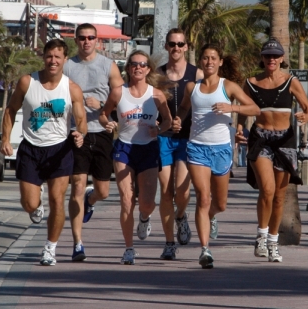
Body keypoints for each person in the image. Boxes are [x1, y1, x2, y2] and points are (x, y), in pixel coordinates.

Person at [0, 39, 87, 266]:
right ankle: (36, 206)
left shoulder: (71, 88)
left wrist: (80, 133)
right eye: (49, 56)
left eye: (58, 57)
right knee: (29, 203)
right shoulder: (28, 82)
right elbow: (10, 110)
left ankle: (50, 248)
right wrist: (5, 138)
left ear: (65, 60)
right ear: (43, 57)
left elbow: (81, 119)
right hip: (30, 147)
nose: (53, 61)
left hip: (59, 148)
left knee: (58, 201)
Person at [173, 44, 260, 269]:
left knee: (219, 204)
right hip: (196, 148)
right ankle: (205, 250)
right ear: (201, 62)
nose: (209, 61)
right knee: (203, 197)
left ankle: (212, 216)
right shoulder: (192, 87)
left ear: (220, 62)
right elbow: (183, 108)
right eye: (205, 58)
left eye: (213, 58)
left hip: (221, 149)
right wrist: (178, 119)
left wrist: (233, 109)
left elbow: (255, 109)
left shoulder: (228, 86)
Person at [236, 38, 308, 263]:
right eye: (267, 56)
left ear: (282, 59)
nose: (271, 59)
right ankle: (261, 237)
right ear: (262, 58)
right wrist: (240, 126)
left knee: (280, 196)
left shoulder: (291, 81)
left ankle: (273, 241)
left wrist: (306, 116)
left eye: (275, 56)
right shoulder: (250, 83)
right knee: (267, 190)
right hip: (260, 138)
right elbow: (244, 108)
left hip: (284, 140)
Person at [99, 50, 173, 265]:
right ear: (128, 68)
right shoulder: (117, 92)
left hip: (148, 148)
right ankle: (129, 248)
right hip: (124, 147)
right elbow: (104, 113)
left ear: (148, 69)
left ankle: (144, 217)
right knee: (126, 201)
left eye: (142, 64)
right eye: (134, 64)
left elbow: (168, 121)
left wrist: (158, 130)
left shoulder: (156, 95)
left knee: (147, 203)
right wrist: (108, 123)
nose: (138, 68)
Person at [63, 23, 124, 262]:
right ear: (76, 40)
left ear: (97, 40)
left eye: (90, 38)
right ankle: (78, 244)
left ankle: (92, 200)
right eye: (82, 38)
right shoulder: (67, 66)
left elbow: (121, 98)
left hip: (102, 132)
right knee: (76, 185)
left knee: (104, 191)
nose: (86, 42)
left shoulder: (108, 65)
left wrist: (104, 110)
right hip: (76, 132)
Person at [156, 29, 204, 260]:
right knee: (166, 192)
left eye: (180, 44)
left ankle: (181, 216)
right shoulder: (156, 75)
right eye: (171, 44)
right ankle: (168, 243)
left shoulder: (198, 74)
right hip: (163, 138)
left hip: (189, 138)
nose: (176, 48)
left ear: (186, 47)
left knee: (182, 191)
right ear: (166, 46)